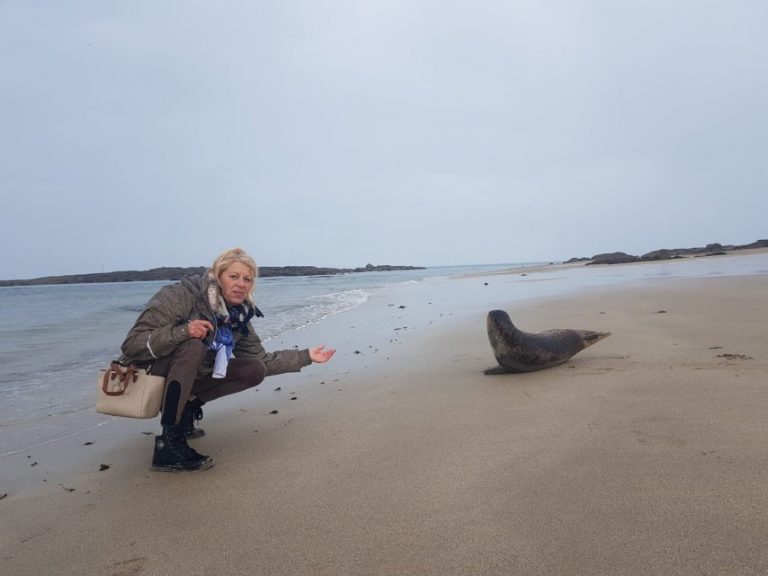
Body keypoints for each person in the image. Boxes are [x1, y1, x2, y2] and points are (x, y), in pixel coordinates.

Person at [118, 247, 336, 472]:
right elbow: (132, 345)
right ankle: (168, 443)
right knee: (193, 345)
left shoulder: (238, 315)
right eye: (234, 276)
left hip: (188, 375)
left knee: (254, 370)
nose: (241, 284)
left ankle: (186, 410)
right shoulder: (181, 295)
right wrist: (184, 332)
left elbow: (262, 360)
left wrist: (306, 356)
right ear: (218, 276)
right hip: (150, 371)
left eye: (247, 279)